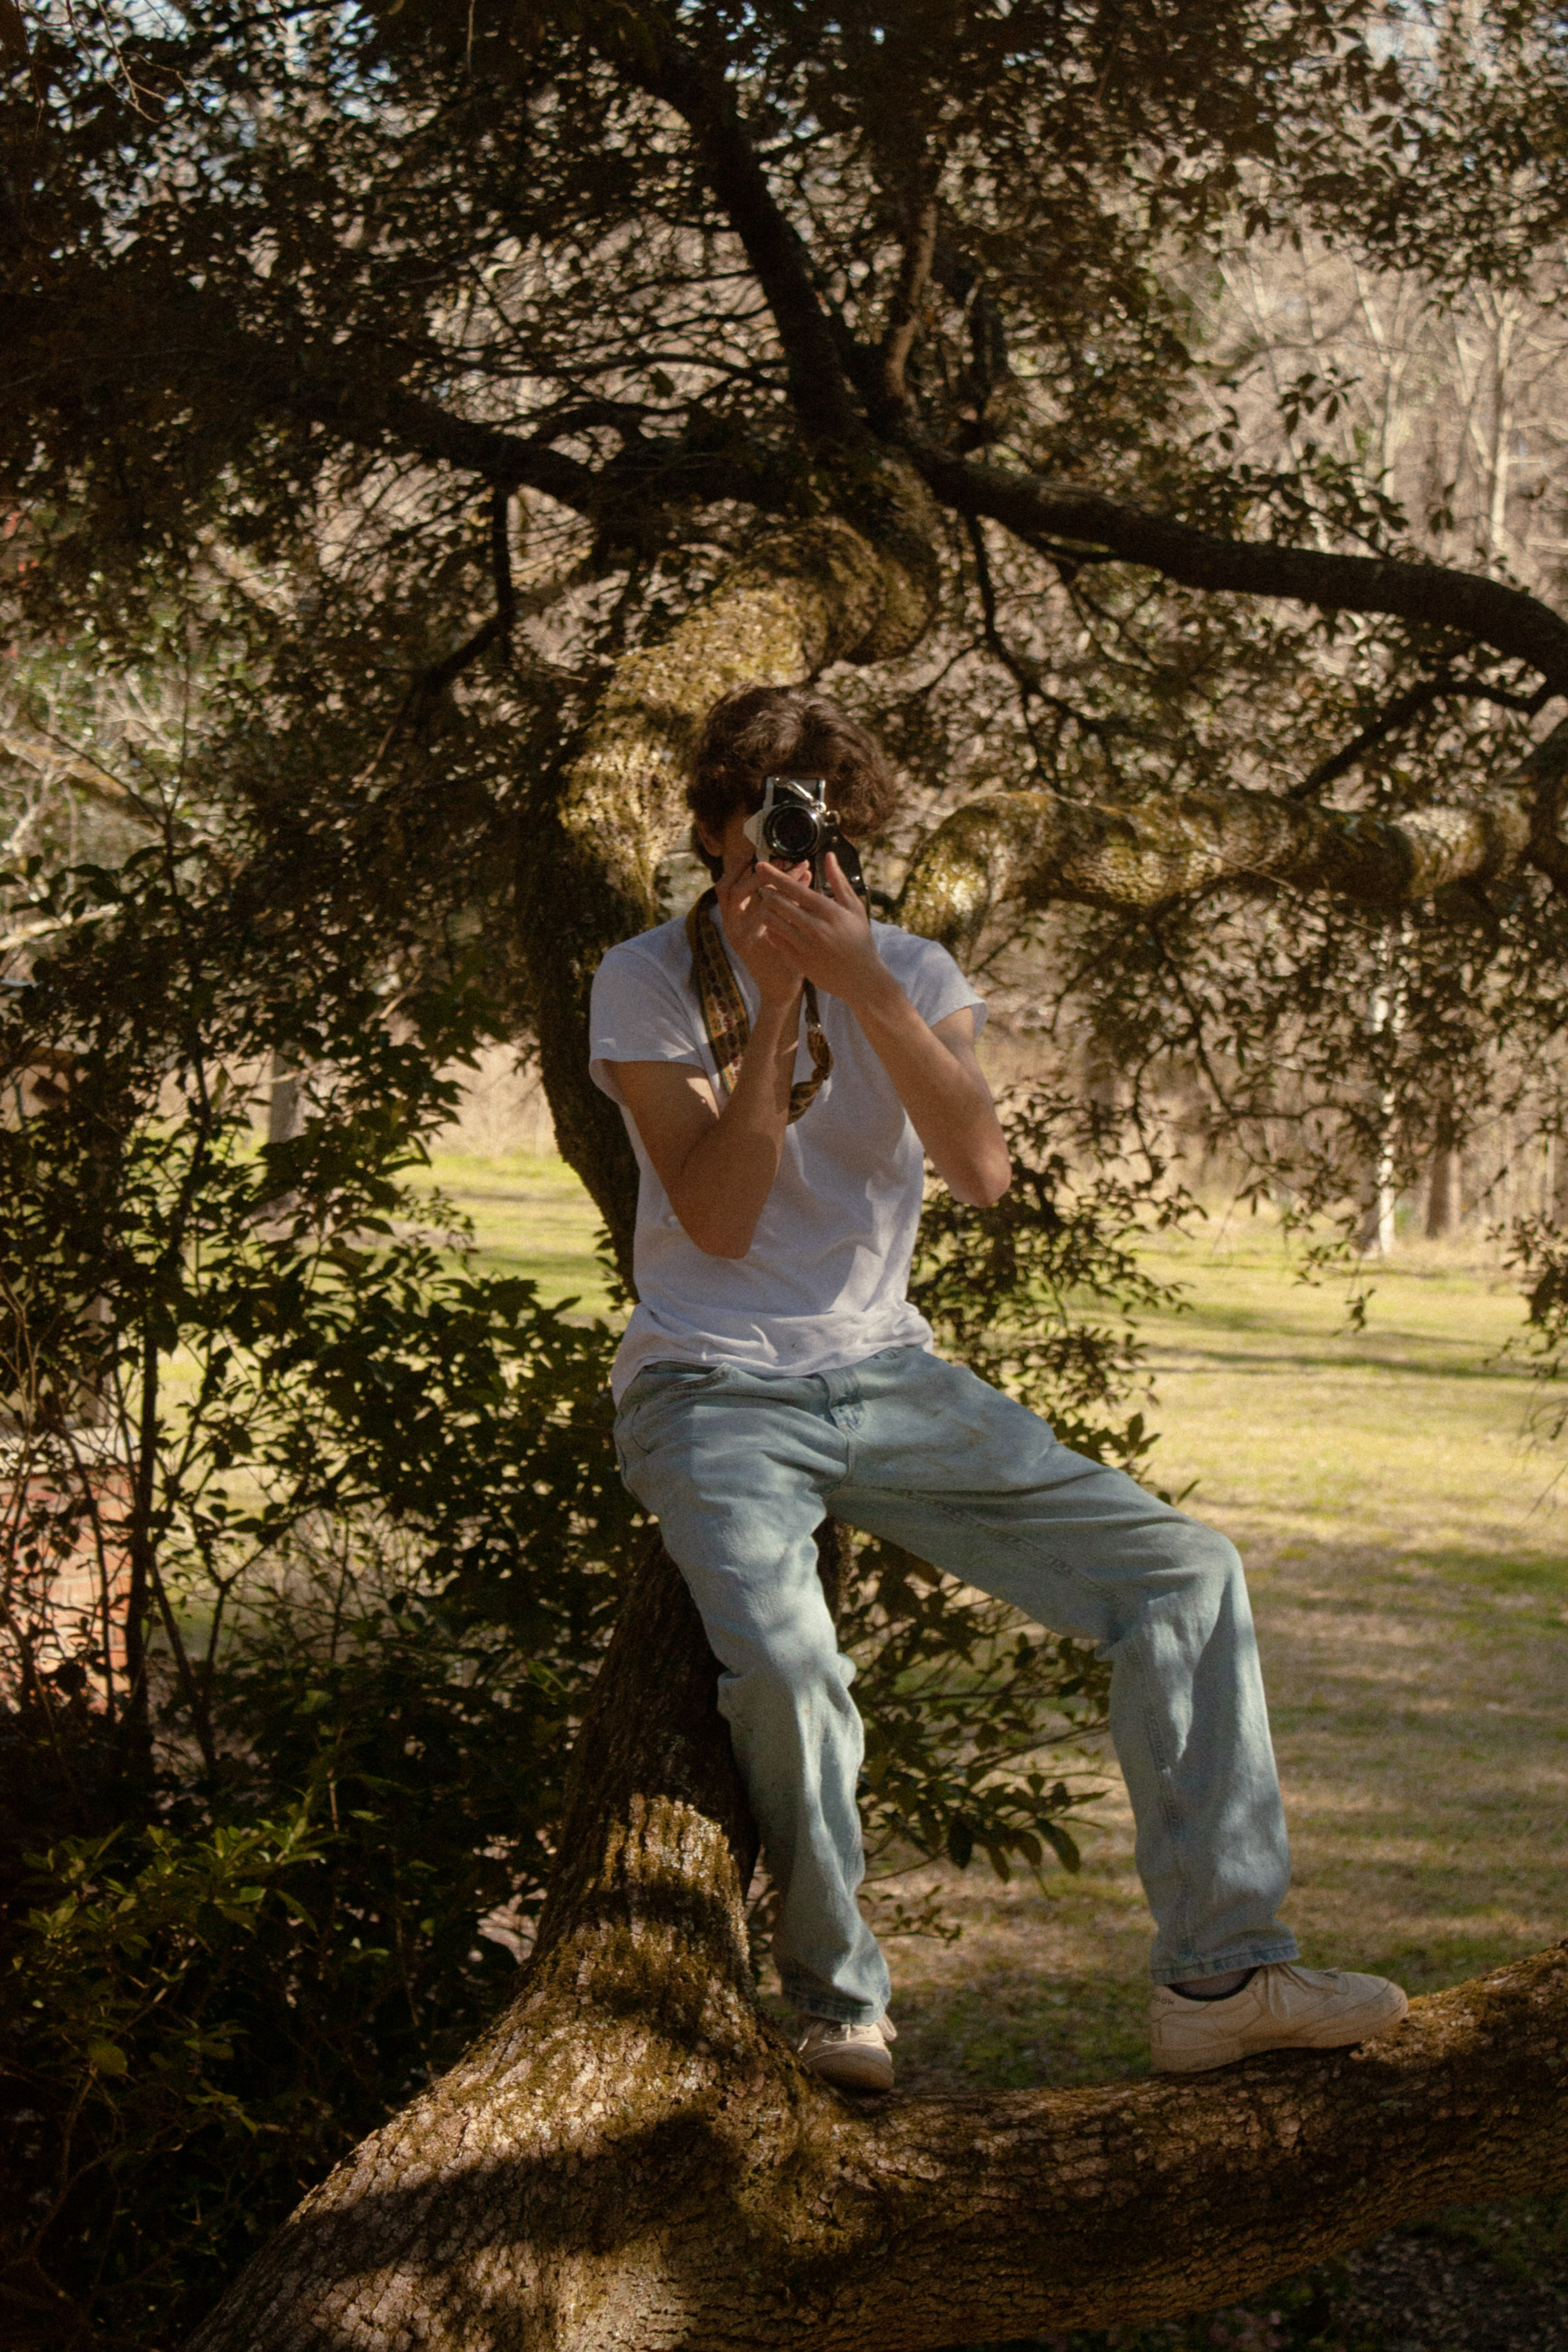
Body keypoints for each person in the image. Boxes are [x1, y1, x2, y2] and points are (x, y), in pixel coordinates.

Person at [588, 684, 1408, 2093]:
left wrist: (866, 988)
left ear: (847, 843)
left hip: (891, 1376)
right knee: (788, 1671)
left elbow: (981, 1173)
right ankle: (840, 2004)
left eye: (801, 848)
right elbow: (718, 1222)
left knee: (1188, 1574)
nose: (771, 879)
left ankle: (1222, 1973)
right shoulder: (644, 981)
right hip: (711, 1389)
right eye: (744, 855)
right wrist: (779, 1004)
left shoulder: (910, 966)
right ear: (709, 836)